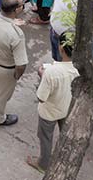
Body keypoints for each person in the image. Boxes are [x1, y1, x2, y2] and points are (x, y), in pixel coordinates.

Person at [26, 31, 78, 174]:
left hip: (49, 112)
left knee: (46, 138)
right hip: (68, 108)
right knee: (65, 134)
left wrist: (43, 75)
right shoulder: (81, 68)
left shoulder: (51, 72)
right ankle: (64, 157)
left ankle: (43, 164)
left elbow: (41, 98)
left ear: (61, 48)